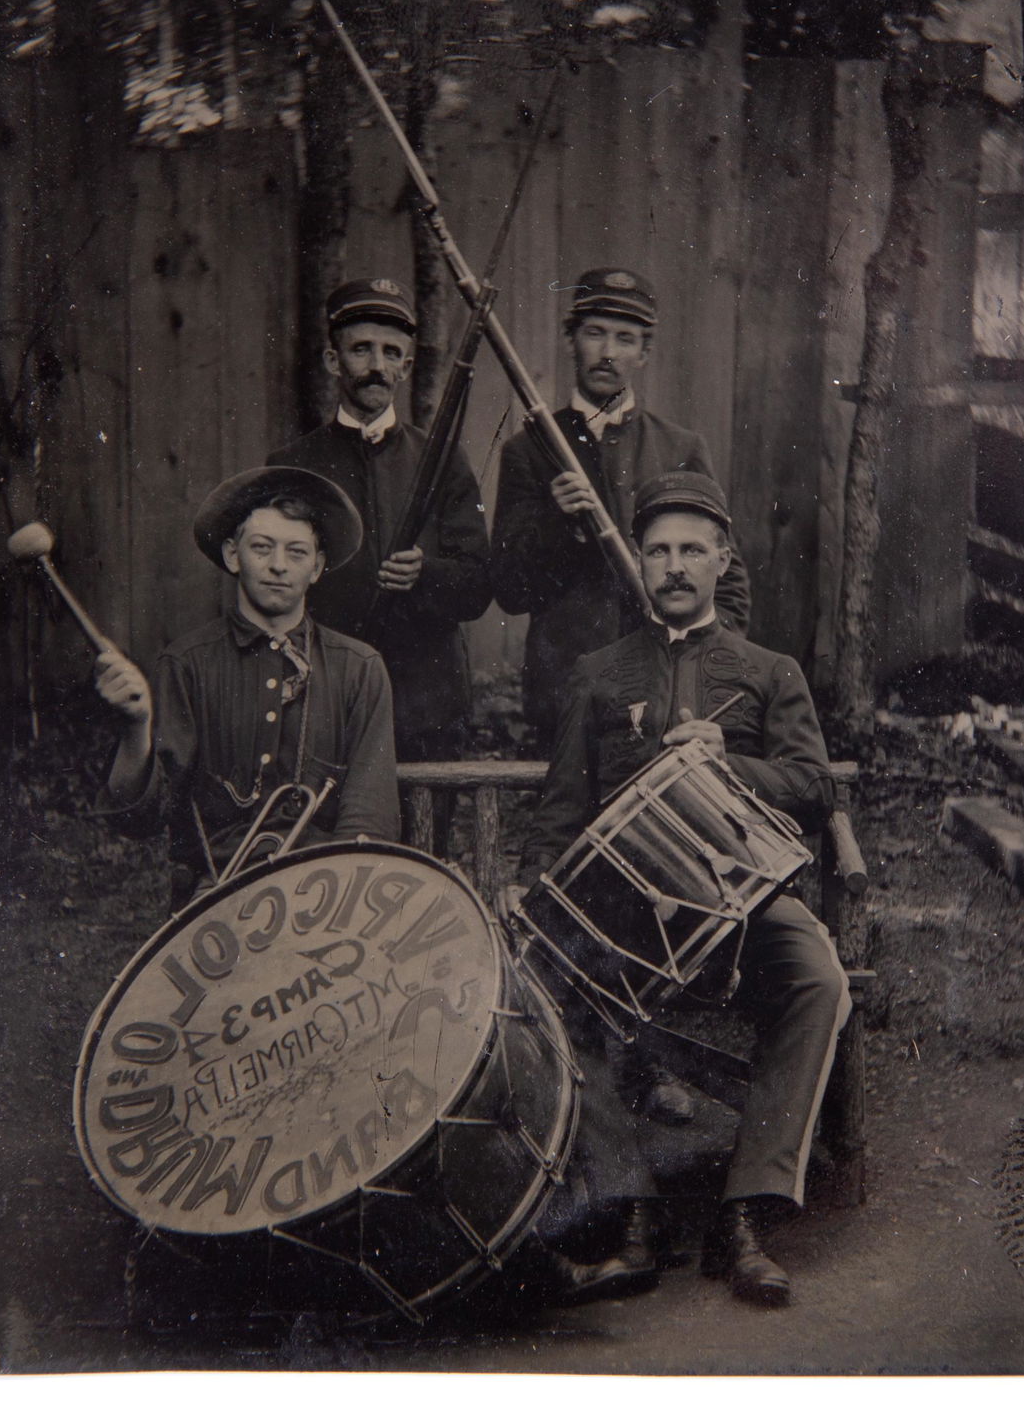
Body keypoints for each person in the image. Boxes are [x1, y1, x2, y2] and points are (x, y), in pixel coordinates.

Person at [517, 471, 851, 1308]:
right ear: (639, 558)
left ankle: (744, 1215)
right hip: (627, 914)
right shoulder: (599, 673)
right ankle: (634, 1210)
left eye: (691, 550)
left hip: (742, 900)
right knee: (549, 985)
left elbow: (814, 786)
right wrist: (533, 901)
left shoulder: (768, 671)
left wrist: (728, 764)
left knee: (819, 976)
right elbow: (561, 808)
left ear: (721, 559)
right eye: (659, 549)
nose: (674, 566)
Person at [95, 465, 399, 910]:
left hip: (328, 902)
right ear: (233, 555)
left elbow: (368, 817)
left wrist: (339, 907)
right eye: (262, 548)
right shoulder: (187, 663)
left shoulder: (360, 668)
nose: (278, 565)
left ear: (316, 567)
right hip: (215, 902)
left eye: (297, 553)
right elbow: (140, 819)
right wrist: (136, 727)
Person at [491, 266, 750, 752]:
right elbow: (508, 587)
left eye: (625, 339)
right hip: (565, 694)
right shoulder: (528, 450)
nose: (608, 353)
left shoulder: (680, 446)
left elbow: (728, 579)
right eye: (594, 333)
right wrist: (556, 521)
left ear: (644, 353)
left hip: (664, 692)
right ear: (571, 341)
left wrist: (704, 659)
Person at [268, 277, 491, 760]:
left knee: (423, 832)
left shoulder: (445, 460)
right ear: (333, 360)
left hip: (428, 702)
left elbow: (477, 584)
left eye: (391, 353)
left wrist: (425, 573)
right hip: (328, 698)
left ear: (407, 367)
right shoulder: (292, 465)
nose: (376, 367)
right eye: (361, 350)